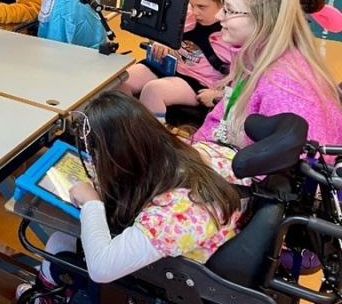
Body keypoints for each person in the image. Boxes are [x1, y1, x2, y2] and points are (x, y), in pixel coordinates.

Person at [17, 91, 247, 300]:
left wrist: (92, 203)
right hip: (213, 242)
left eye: (95, 156)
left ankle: (46, 297)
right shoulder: (199, 151)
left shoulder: (171, 217)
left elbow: (101, 269)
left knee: (60, 239)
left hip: (180, 274)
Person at [193, 0, 342, 147]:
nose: (219, 16)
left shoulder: (285, 88)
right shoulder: (254, 60)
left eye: (229, 10)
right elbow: (219, 119)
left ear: (264, 20)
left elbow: (286, 168)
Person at [117, 0, 243, 120]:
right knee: (120, 80)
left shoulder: (231, 34)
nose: (195, 11)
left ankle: (151, 141)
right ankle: (123, 129)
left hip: (198, 81)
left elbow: (243, 78)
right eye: (191, 5)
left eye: (202, 7)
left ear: (223, 3)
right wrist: (162, 42)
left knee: (153, 91)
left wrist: (219, 94)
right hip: (169, 66)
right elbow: (166, 33)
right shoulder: (188, 16)